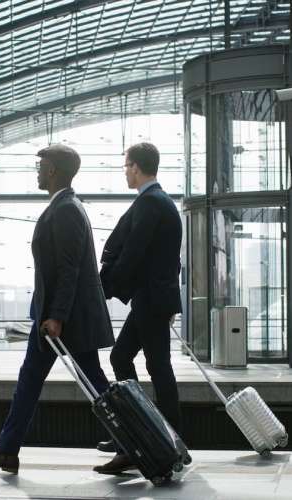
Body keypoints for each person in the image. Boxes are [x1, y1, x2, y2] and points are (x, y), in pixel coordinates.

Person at [0, 144, 114, 474]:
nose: (37, 171)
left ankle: (132, 442)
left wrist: (56, 317)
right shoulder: (64, 206)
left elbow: (69, 269)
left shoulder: (66, 210)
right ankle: (7, 450)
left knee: (90, 384)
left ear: (53, 171)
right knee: (37, 380)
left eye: (40, 166)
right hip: (57, 317)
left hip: (63, 320)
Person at [94, 142, 183, 474]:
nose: (125, 173)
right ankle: (140, 435)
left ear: (135, 166)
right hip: (154, 298)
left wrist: (104, 288)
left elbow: (133, 252)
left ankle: (155, 441)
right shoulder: (161, 202)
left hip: (151, 299)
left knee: (155, 367)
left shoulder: (150, 203)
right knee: (132, 360)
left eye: (126, 166)